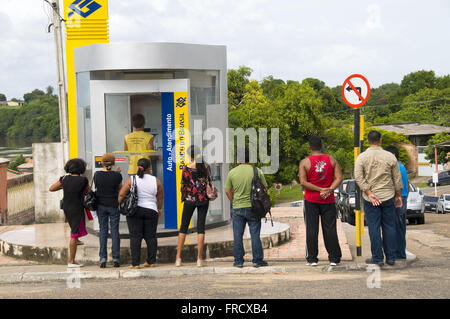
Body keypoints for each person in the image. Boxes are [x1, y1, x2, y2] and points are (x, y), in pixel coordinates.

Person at [354, 130, 404, 266]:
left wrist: (369, 192)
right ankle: (391, 257)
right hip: (388, 196)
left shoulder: (362, 157)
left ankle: (377, 258)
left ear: (368, 141)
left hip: (371, 198)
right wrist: (398, 195)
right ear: (380, 140)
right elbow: (397, 179)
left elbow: (358, 177)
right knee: (389, 226)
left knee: (374, 227)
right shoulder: (390, 157)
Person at [298, 136, 343, 267]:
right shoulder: (332, 160)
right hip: (328, 199)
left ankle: (312, 258)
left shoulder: (304, 162)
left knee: (311, 229)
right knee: (330, 228)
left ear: (309, 147)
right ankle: (334, 258)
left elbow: (303, 182)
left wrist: (319, 189)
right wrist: (329, 189)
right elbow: (339, 178)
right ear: (322, 145)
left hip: (311, 200)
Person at [225, 148, 269, 268]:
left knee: (237, 235)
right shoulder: (256, 171)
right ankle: (257, 260)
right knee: (255, 234)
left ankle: (238, 261)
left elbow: (227, 190)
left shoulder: (232, 172)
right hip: (253, 208)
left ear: (238, 159)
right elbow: (265, 188)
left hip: (237, 208)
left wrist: (233, 201)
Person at [118, 158, 163, 269]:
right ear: (149, 167)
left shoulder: (131, 180)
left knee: (135, 237)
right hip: (151, 211)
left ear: (137, 166)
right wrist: (159, 209)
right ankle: (151, 261)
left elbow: (121, 195)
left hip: (134, 211)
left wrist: (120, 203)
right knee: (151, 237)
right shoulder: (156, 181)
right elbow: (160, 197)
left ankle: (135, 263)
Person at [49, 158, 89, 268]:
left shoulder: (64, 179)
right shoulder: (83, 180)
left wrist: (64, 187)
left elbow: (51, 188)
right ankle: (71, 261)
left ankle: (77, 239)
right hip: (77, 207)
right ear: (81, 168)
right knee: (74, 232)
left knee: (74, 225)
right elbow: (87, 192)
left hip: (66, 207)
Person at [175, 146, 211, 267]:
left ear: (189, 155)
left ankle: (178, 258)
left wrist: (185, 196)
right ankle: (199, 259)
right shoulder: (206, 167)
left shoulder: (186, 168)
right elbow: (209, 182)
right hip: (203, 200)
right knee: (201, 228)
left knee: (183, 227)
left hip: (189, 200)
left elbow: (183, 185)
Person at [95, 153, 123, 268]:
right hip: (113, 205)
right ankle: (116, 258)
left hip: (100, 205)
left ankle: (103, 258)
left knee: (103, 231)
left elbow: (97, 186)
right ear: (113, 163)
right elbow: (120, 189)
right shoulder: (117, 176)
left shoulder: (97, 174)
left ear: (102, 162)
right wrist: (118, 174)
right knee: (115, 231)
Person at [384, 145, 409, 262]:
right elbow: (407, 184)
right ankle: (400, 253)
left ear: (393, 155)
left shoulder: (395, 167)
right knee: (400, 227)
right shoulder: (402, 166)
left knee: (393, 227)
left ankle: (394, 254)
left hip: (396, 199)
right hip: (403, 198)